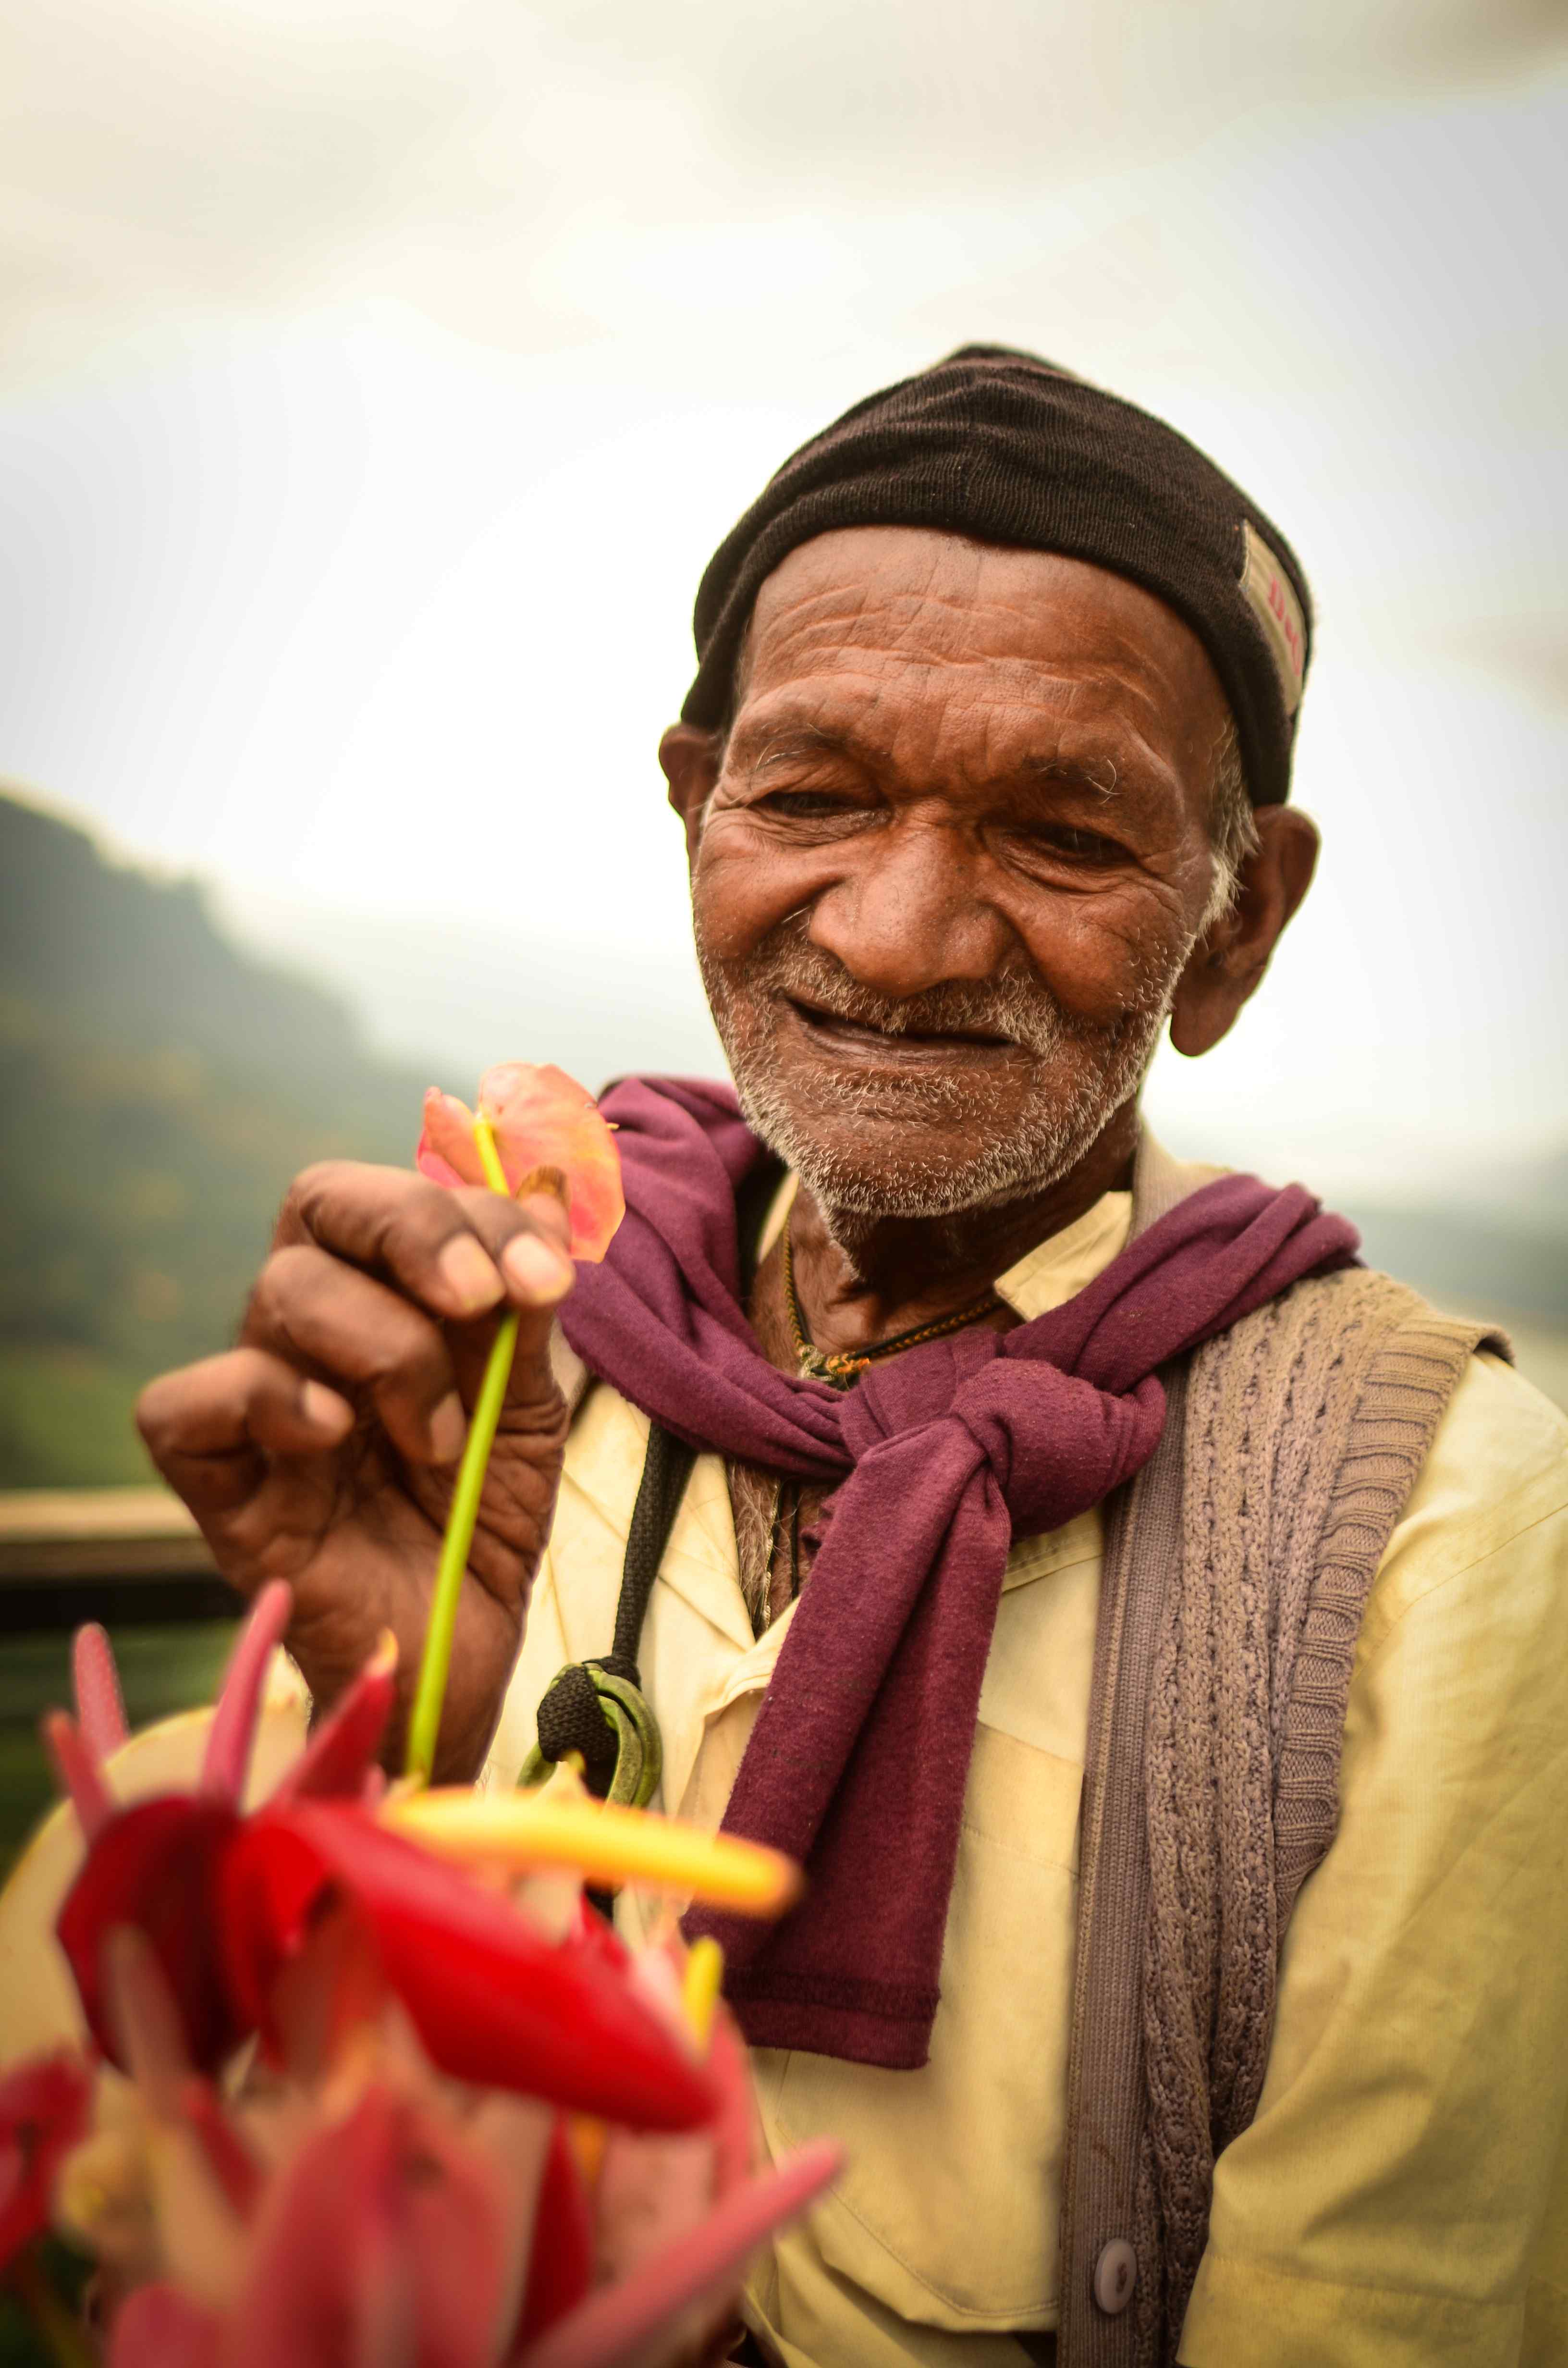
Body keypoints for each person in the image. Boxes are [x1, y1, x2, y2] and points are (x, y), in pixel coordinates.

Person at [136, 347, 1568, 2368]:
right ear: (693, 807)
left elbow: (1381, 2315)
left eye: (1064, 833)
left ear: (1240, 919)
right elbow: (197, 2127)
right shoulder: (524, 1336)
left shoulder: (1441, 1521)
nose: (896, 936)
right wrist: (399, 1747)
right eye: (810, 795)